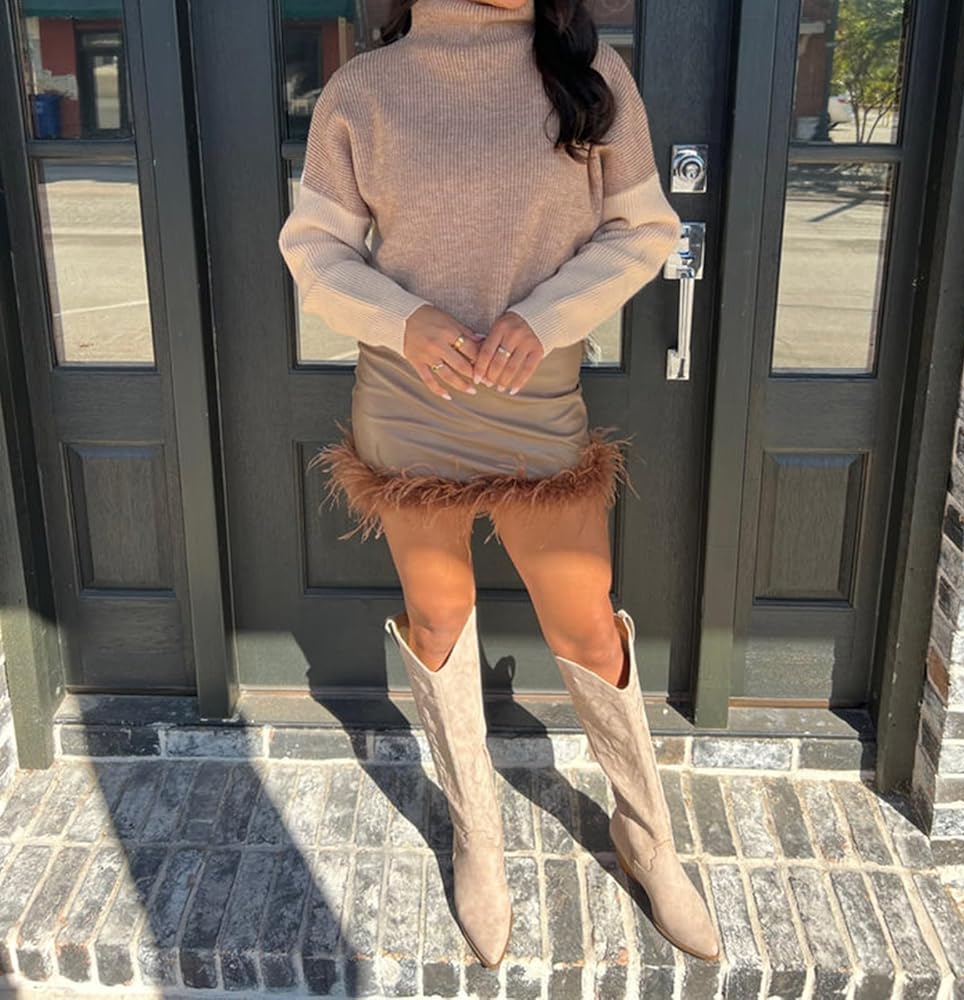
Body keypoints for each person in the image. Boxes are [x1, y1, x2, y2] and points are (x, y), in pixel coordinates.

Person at [278, 0, 721, 970]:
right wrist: (404, 319)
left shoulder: (589, 74)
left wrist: (546, 314)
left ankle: (646, 835)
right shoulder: (363, 92)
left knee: (587, 624)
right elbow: (313, 250)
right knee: (438, 619)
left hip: (537, 391)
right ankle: (478, 835)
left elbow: (642, 228)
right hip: (410, 393)